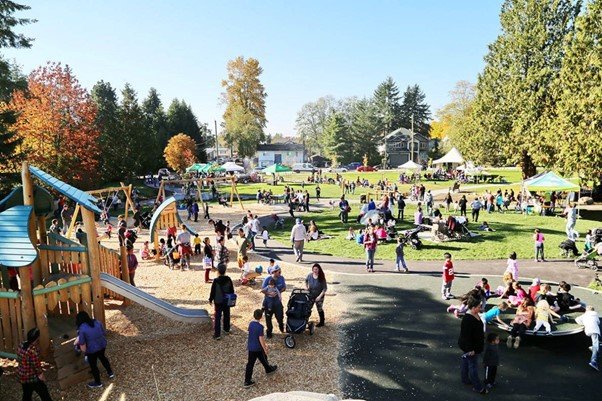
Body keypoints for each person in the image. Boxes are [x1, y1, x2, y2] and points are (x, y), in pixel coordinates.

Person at [75, 311, 114, 388]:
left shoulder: (82, 328)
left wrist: (78, 346)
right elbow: (103, 332)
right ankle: (110, 372)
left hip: (92, 350)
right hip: (102, 345)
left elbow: (82, 342)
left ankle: (98, 382)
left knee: (93, 365)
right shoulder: (97, 322)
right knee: (103, 358)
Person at [458, 295, 487, 394]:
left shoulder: (475, 314)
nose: (481, 308)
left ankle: (465, 379)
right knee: (473, 367)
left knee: (466, 363)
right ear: (473, 308)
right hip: (472, 348)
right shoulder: (467, 319)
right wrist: (470, 349)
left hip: (474, 346)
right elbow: (465, 337)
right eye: (479, 306)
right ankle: (478, 387)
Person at [244, 309, 278, 388]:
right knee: (259, 358)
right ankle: (247, 381)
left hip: (251, 346)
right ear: (261, 317)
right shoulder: (260, 327)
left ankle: (268, 369)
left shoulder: (251, 324)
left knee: (255, 361)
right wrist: (265, 348)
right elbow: (261, 339)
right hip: (257, 347)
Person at [18, 328, 53, 401]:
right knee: (44, 394)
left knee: (26, 395)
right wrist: (41, 375)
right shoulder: (33, 350)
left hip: (22, 375)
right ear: (37, 338)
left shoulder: (21, 344)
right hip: (32, 377)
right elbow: (36, 365)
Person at [208, 263, 234, 340]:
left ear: (218, 271)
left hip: (218, 301)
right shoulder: (228, 279)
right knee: (227, 315)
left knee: (217, 317)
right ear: (225, 271)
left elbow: (212, 291)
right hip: (226, 301)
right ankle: (226, 329)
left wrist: (210, 299)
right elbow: (232, 290)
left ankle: (217, 334)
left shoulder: (216, 281)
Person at [261, 265, 286, 338]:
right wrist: (269, 293)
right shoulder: (267, 279)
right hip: (268, 303)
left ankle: (281, 327)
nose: (280, 273)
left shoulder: (281, 278)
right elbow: (262, 290)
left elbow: (284, 287)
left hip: (278, 303)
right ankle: (269, 331)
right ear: (274, 272)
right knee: (268, 318)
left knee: (280, 317)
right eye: (279, 272)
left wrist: (278, 292)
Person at [576, 306, 600, 371]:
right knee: (595, 344)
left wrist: (583, 323)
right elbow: (598, 322)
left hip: (588, 330)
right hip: (594, 330)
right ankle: (593, 361)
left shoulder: (584, 315)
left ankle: (593, 348)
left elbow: (577, 319)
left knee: (595, 343)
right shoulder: (595, 314)